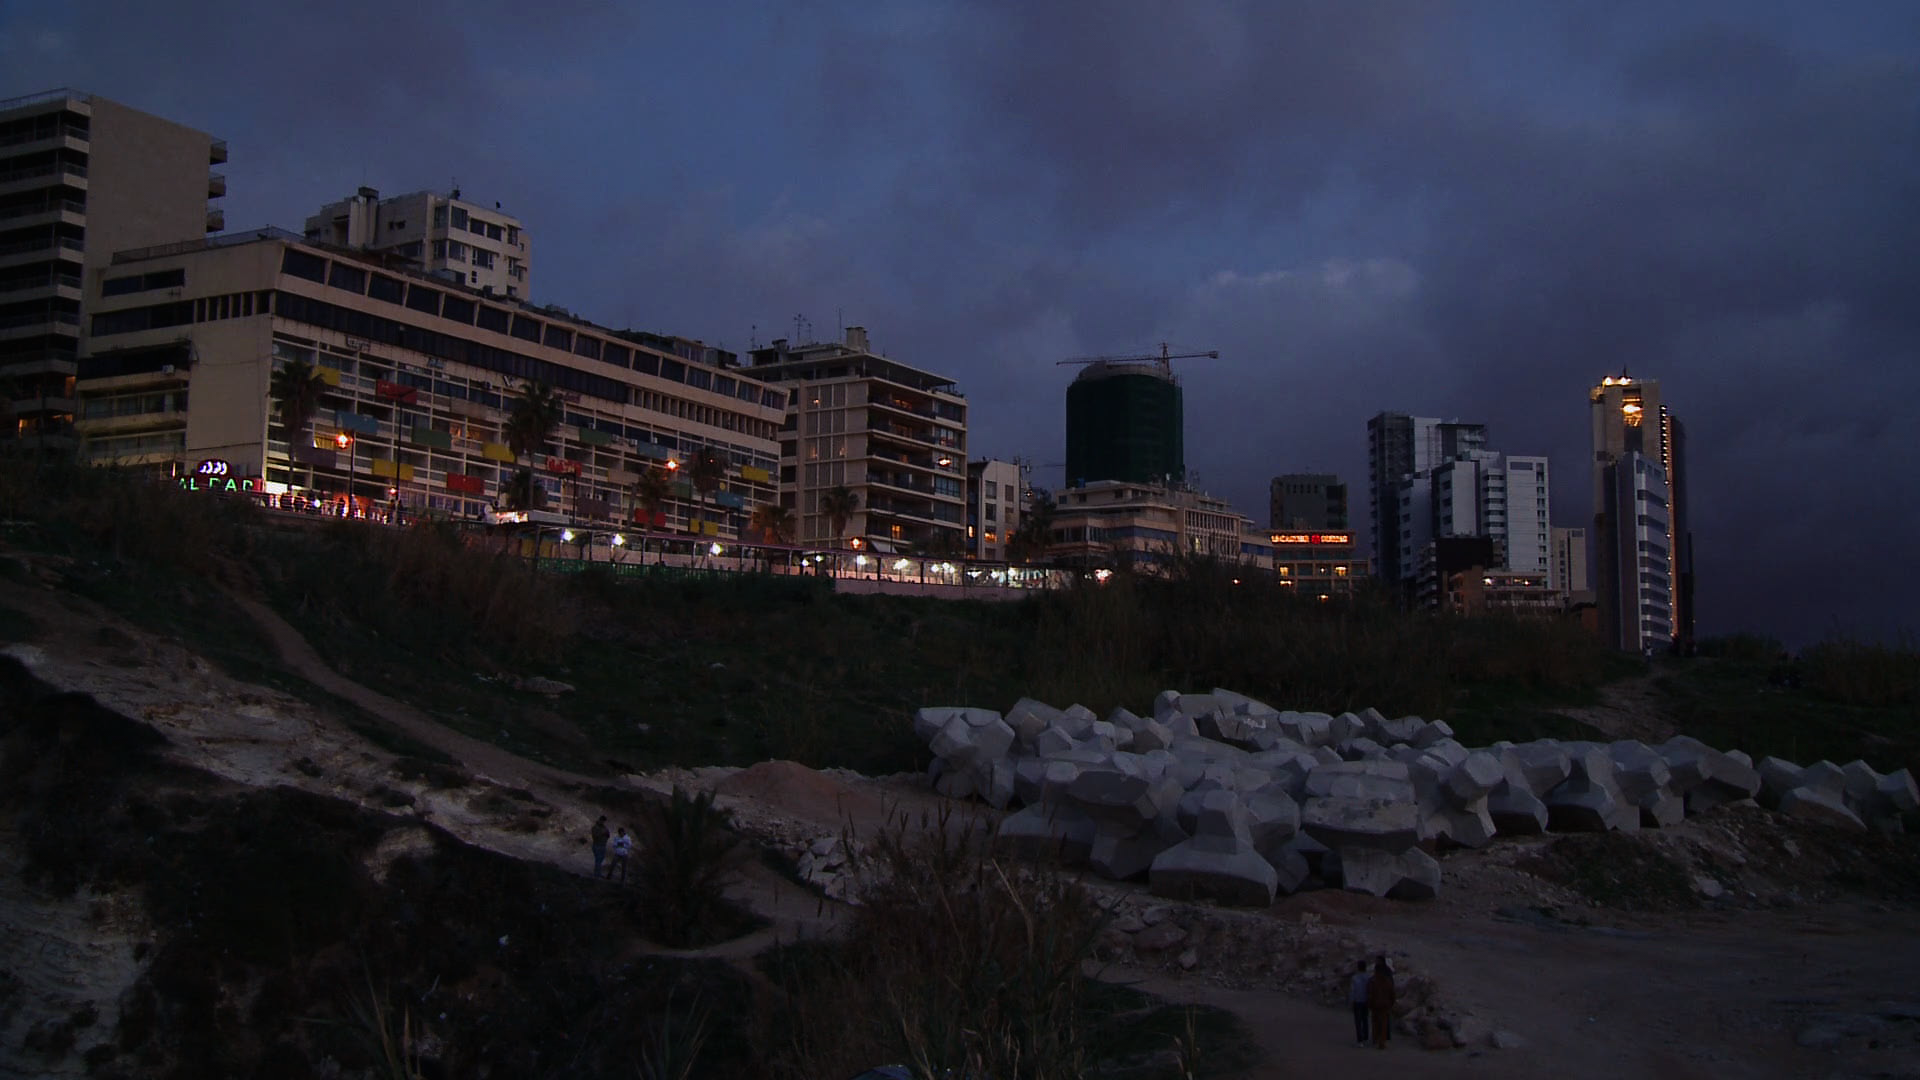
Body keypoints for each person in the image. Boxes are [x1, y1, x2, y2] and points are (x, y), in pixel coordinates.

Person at [1368, 956, 1396, 1049]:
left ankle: (1375, 1038)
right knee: (1383, 1023)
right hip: (1385, 1004)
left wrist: (1369, 1003)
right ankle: (1382, 1042)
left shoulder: (1372, 981)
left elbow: (1370, 993)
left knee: (1375, 1022)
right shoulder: (1388, 981)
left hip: (1375, 1004)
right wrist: (1391, 1003)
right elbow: (1392, 993)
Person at [1349, 960, 1372, 1047]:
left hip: (1357, 1001)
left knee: (1358, 1021)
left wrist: (1351, 1001)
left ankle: (1360, 1040)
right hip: (1366, 1001)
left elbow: (1352, 990)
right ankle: (1366, 1036)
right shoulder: (1369, 977)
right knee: (1365, 1019)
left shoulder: (1354, 978)